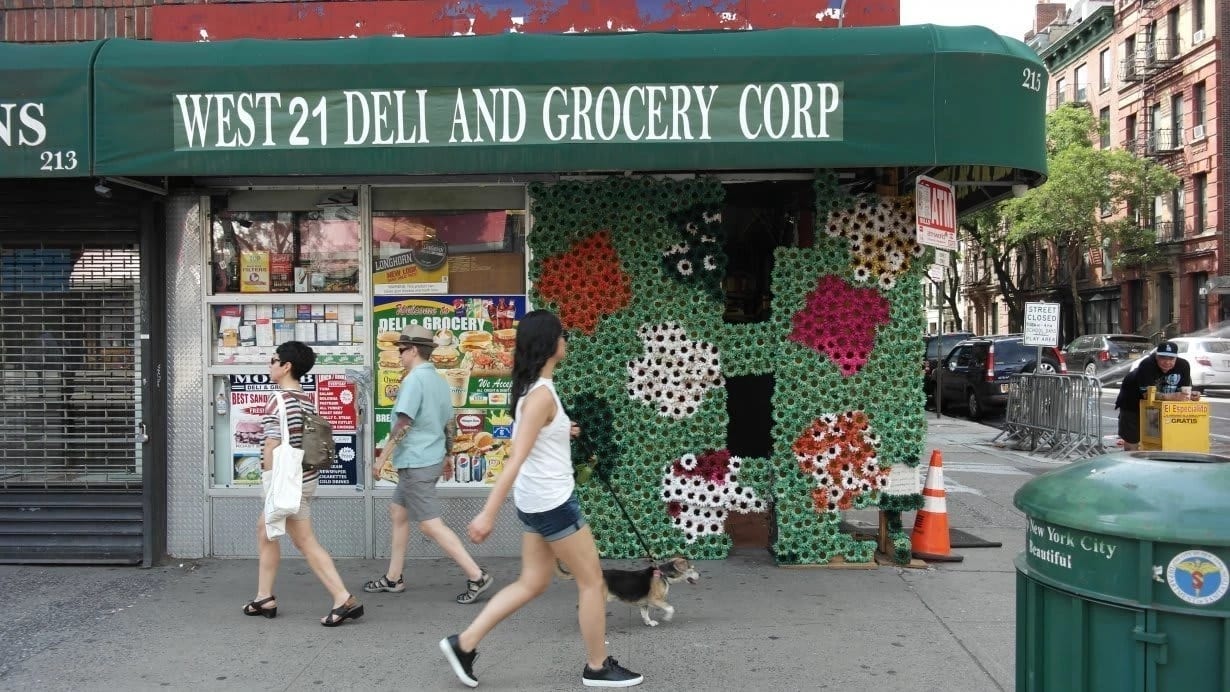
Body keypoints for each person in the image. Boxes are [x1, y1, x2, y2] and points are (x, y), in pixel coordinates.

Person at [439, 310, 644, 689]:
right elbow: (516, 456)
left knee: (532, 582)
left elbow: (537, 438)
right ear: (550, 344)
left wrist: (565, 430)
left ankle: (463, 644)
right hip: (553, 503)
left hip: (537, 503)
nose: (566, 340)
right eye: (562, 335)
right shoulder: (540, 396)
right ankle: (597, 667)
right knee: (592, 582)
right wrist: (486, 513)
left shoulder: (536, 391)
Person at [365, 324, 493, 604]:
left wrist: (382, 458)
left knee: (430, 525)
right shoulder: (438, 379)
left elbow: (403, 423)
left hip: (416, 462)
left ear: (413, 350)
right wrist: (447, 455)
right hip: (431, 457)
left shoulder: (413, 381)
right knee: (398, 512)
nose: (399, 355)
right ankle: (393, 577)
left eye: (401, 350)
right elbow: (450, 421)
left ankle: (476, 575)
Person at [243, 340, 364, 626]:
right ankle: (264, 596)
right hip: (303, 478)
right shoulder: (305, 399)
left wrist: (268, 481)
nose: (269, 365)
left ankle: (343, 598)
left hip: (287, 483)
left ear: (286, 367)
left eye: (273, 360)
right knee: (266, 531)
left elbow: (273, 443)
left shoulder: (279, 400)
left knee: (304, 541)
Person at [1115, 340, 1199, 451]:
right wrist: (1172, 397)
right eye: (1163, 358)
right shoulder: (1147, 364)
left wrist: (1191, 395)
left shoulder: (1183, 365)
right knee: (1132, 437)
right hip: (1132, 400)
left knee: (1158, 436)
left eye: (1171, 359)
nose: (1167, 362)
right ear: (1156, 357)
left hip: (1160, 406)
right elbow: (1147, 395)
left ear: (1176, 358)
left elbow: (1183, 390)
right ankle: (1130, 460)